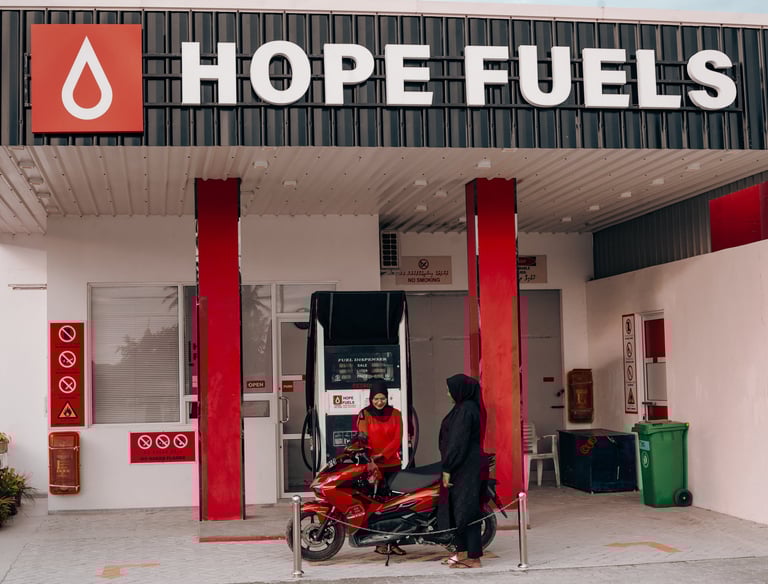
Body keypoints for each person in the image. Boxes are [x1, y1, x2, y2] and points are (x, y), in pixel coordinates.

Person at [354, 378, 405, 556]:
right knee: (375, 506)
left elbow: (397, 440)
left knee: (394, 505)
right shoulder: (364, 414)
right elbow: (362, 438)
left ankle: (393, 541)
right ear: (370, 398)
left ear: (388, 397)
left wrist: (382, 455)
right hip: (371, 466)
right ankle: (379, 543)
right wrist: (371, 458)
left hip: (392, 465)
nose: (379, 402)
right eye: (376, 398)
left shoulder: (396, 414)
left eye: (382, 398)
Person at [438, 373, 483, 569]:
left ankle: (473, 557)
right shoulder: (463, 407)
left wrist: (448, 467)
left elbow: (458, 442)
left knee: (467, 510)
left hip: (464, 467)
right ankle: (462, 552)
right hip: (462, 466)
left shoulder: (466, 410)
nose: (448, 393)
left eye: (450, 389)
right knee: (459, 510)